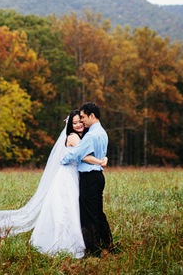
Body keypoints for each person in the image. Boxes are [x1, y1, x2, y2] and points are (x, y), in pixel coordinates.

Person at [0, 109, 107, 259]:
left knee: (72, 208)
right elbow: (83, 155)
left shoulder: (82, 137)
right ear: (70, 125)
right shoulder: (73, 137)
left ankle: (80, 240)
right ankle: (65, 243)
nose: (78, 124)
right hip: (68, 176)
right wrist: (101, 161)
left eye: (80, 121)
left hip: (73, 175)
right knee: (66, 208)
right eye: (75, 122)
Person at [60, 102, 114, 256]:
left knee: (88, 216)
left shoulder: (90, 135)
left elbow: (78, 154)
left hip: (89, 177)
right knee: (98, 213)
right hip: (98, 176)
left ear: (92, 116)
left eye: (83, 117)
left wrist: (63, 159)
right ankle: (108, 244)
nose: (82, 121)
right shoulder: (103, 132)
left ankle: (93, 250)